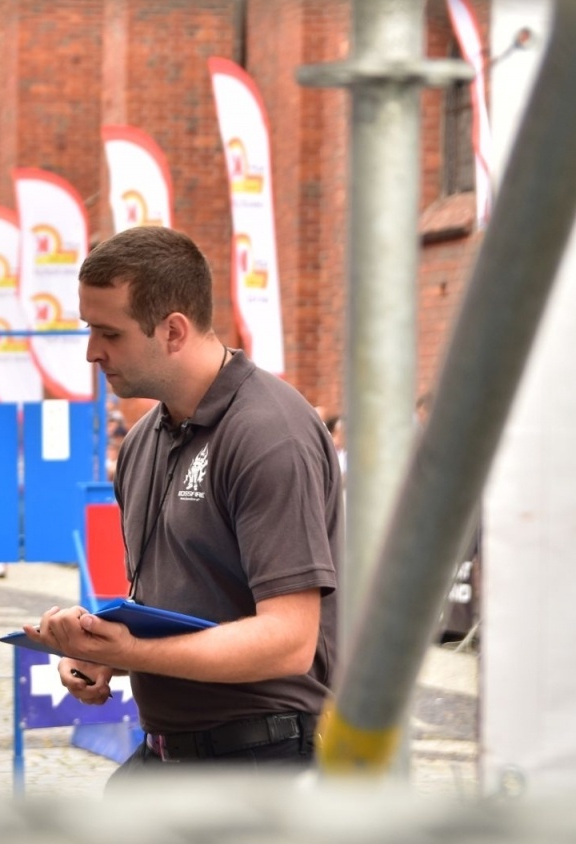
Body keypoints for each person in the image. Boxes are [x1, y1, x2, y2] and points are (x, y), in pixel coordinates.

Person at [26, 226, 341, 778]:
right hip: (169, 753)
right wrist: (101, 652)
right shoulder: (147, 438)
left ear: (173, 330)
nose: (91, 353)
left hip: (263, 762)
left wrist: (130, 653)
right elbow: (187, 614)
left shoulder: (269, 433)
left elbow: (290, 642)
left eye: (109, 333)